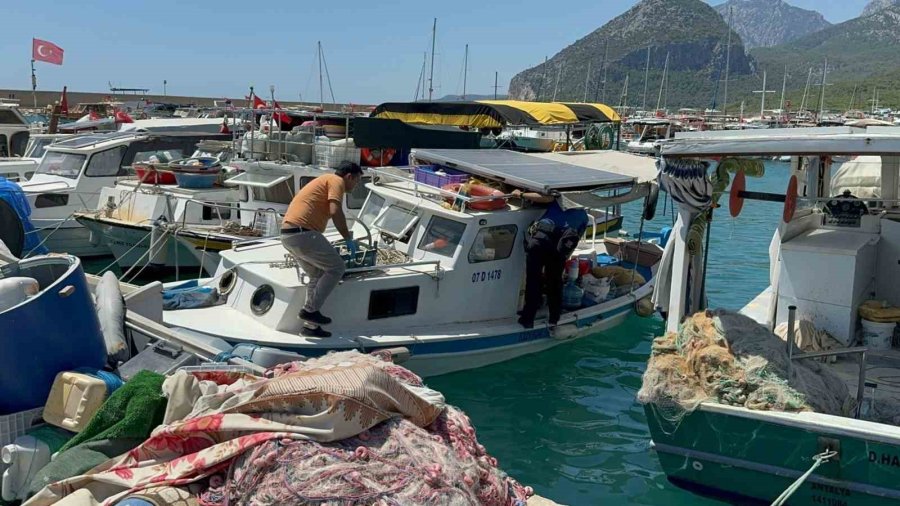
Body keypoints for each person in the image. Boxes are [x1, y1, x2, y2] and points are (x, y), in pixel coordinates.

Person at [281, 161, 363, 338]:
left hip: (289, 235)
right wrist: (347, 238)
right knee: (337, 268)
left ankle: (310, 327)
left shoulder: (324, 180)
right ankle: (310, 310)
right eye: (357, 181)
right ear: (349, 176)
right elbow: (335, 211)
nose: (356, 185)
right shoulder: (336, 181)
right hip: (303, 233)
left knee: (317, 274)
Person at [512, 189, 589, 329]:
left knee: (533, 280)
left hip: (541, 241)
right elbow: (576, 238)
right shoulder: (583, 216)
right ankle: (554, 317)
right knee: (554, 282)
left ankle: (528, 319)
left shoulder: (557, 202)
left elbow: (544, 198)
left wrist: (521, 194)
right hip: (560, 249)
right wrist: (565, 256)